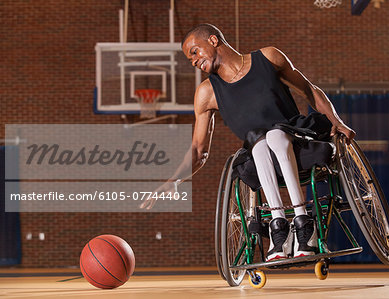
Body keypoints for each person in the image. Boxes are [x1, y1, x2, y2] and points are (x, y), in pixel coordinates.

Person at [140, 24, 355, 261]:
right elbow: (198, 150)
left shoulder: (269, 58)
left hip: (299, 145)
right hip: (260, 161)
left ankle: (304, 223)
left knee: (274, 135)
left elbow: (309, 91)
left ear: (213, 40)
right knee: (260, 141)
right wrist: (174, 180)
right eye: (189, 58)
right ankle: (279, 226)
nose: (193, 61)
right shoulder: (207, 93)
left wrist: (337, 121)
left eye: (194, 52)